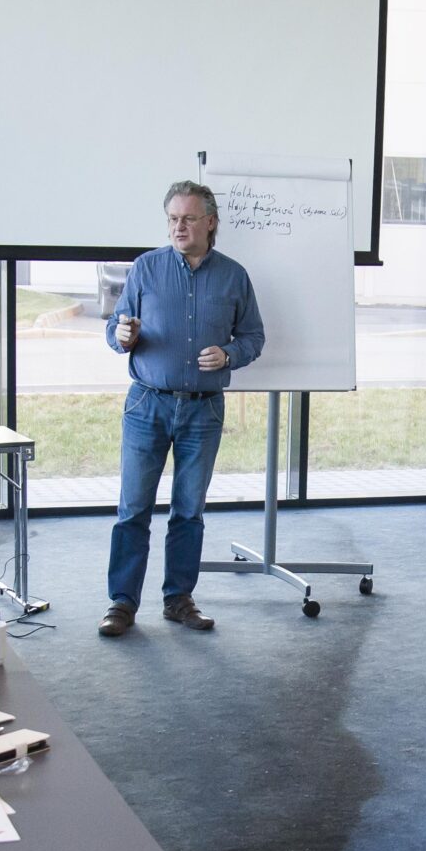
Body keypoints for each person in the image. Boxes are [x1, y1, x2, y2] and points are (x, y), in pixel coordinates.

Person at [100, 179, 264, 637]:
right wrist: (123, 336)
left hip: (202, 410)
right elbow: (117, 326)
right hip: (147, 405)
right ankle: (122, 603)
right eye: (173, 219)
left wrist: (230, 354)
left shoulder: (234, 276)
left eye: (188, 219)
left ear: (210, 223)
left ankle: (178, 599)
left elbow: (254, 337)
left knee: (188, 511)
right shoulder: (146, 268)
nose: (179, 227)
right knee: (133, 508)